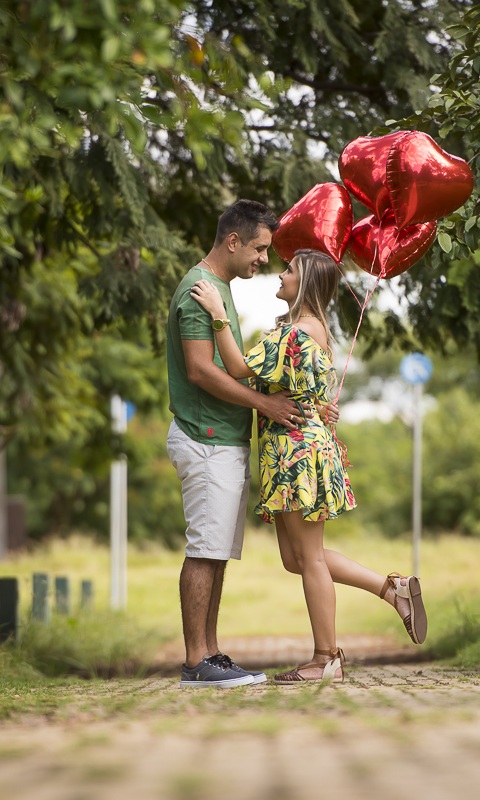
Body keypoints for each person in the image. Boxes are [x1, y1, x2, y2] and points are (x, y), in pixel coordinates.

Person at [190, 248, 427, 684]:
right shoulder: (306, 329)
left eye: (290, 270)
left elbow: (238, 367)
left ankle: (326, 658)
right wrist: (319, 408)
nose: (280, 274)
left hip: (296, 453)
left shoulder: (297, 332)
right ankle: (391, 589)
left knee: (310, 558)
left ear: (307, 284)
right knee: (296, 558)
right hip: (292, 451)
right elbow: (304, 392)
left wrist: (218, 314)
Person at [166, 200, 326, 688]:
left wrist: (303, 402)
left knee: (216, 551)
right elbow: (201, 370)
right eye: (259, 248)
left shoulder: (220, 290)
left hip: (225, 440)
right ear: (233, 241)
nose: (264, 259)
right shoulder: (200, 290)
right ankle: (197, 660)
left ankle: (211, 654)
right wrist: (265, 405)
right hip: (206, 437)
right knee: (205, 550)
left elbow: (249, 369)